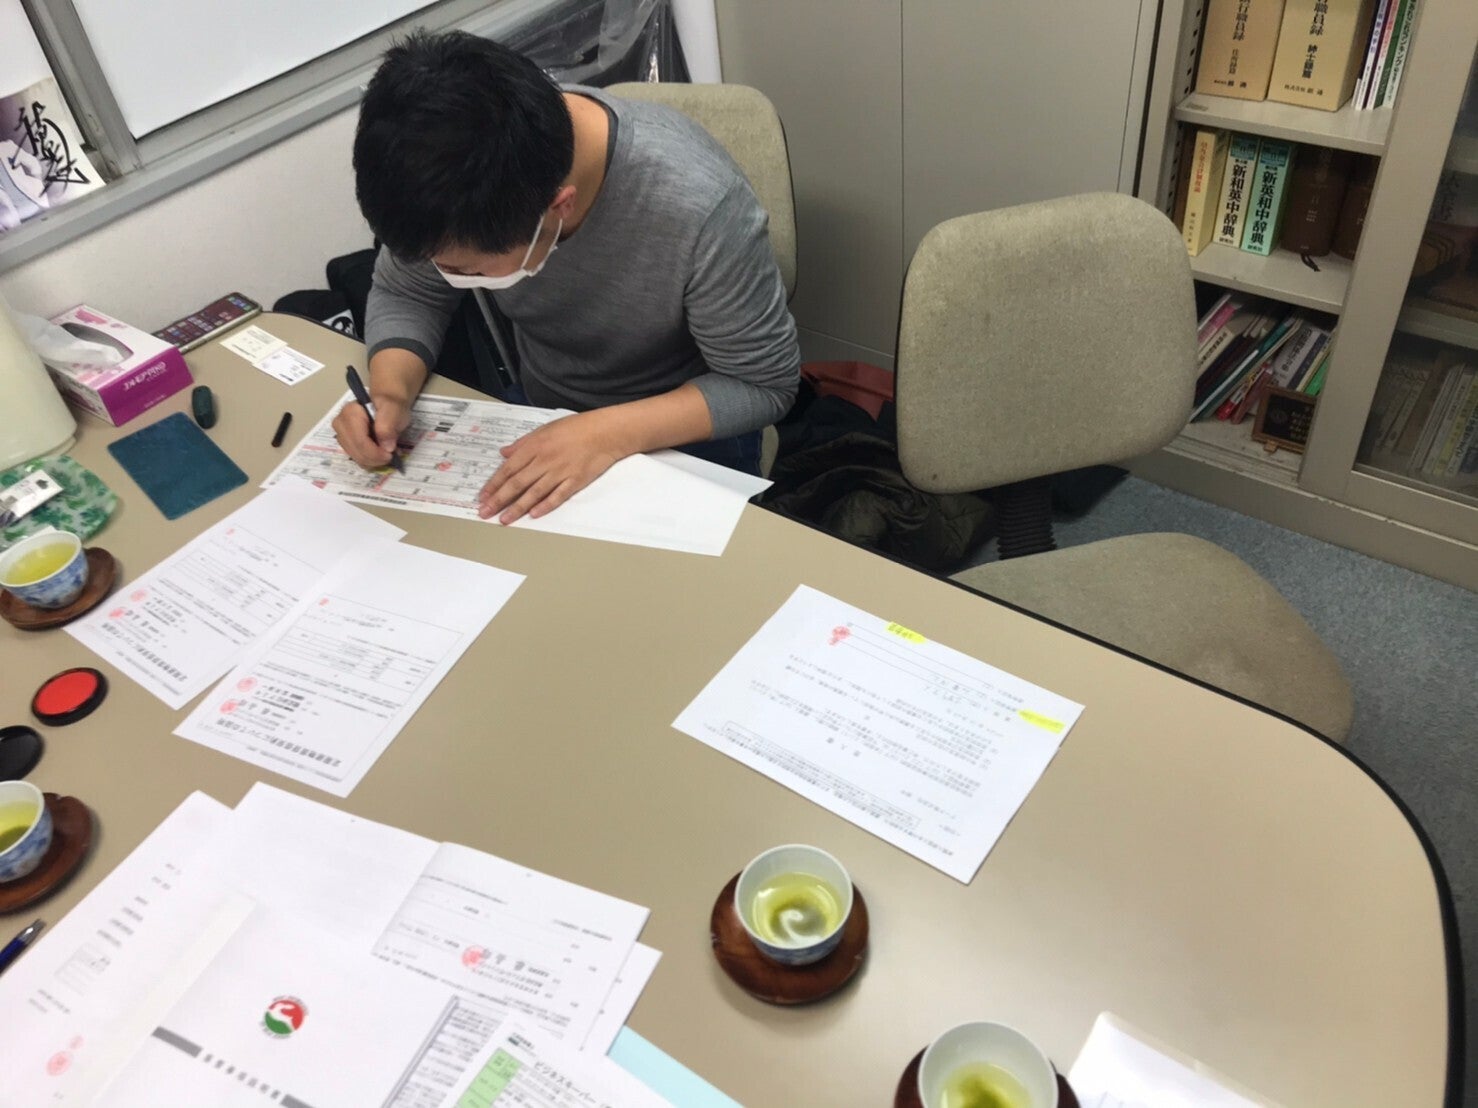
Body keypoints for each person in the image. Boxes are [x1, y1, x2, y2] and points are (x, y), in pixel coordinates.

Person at [333, 30, 800, 523]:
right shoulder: (448, 180)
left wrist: (603, 434)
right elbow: (406, 292)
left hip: (683, 427)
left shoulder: (700, 208)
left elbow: (762, 384)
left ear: (558, 209)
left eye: (464, 269)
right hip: (544, 409)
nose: (445, 275)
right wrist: (389, 394)